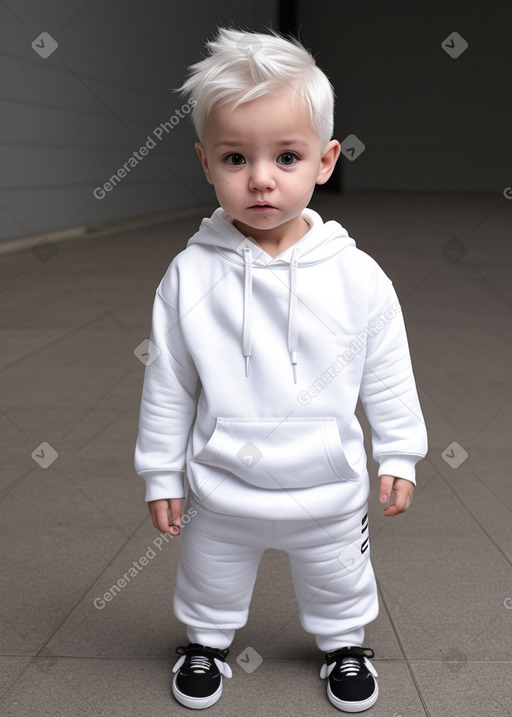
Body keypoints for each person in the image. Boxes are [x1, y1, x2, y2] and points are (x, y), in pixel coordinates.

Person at [134, 27, 427, 713]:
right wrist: (160, 470)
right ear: (206, 163)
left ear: (325, 161)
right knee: (210, 577)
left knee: (338, 579)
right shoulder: (188, 275)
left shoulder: (357, 276)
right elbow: (169, 381)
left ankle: (344, 645)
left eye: (285, 156)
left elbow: (387, 367)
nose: (261, 177)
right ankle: (204, 643)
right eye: (236, 156)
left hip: (324, 486)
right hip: (222, 487)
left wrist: (401, 451)